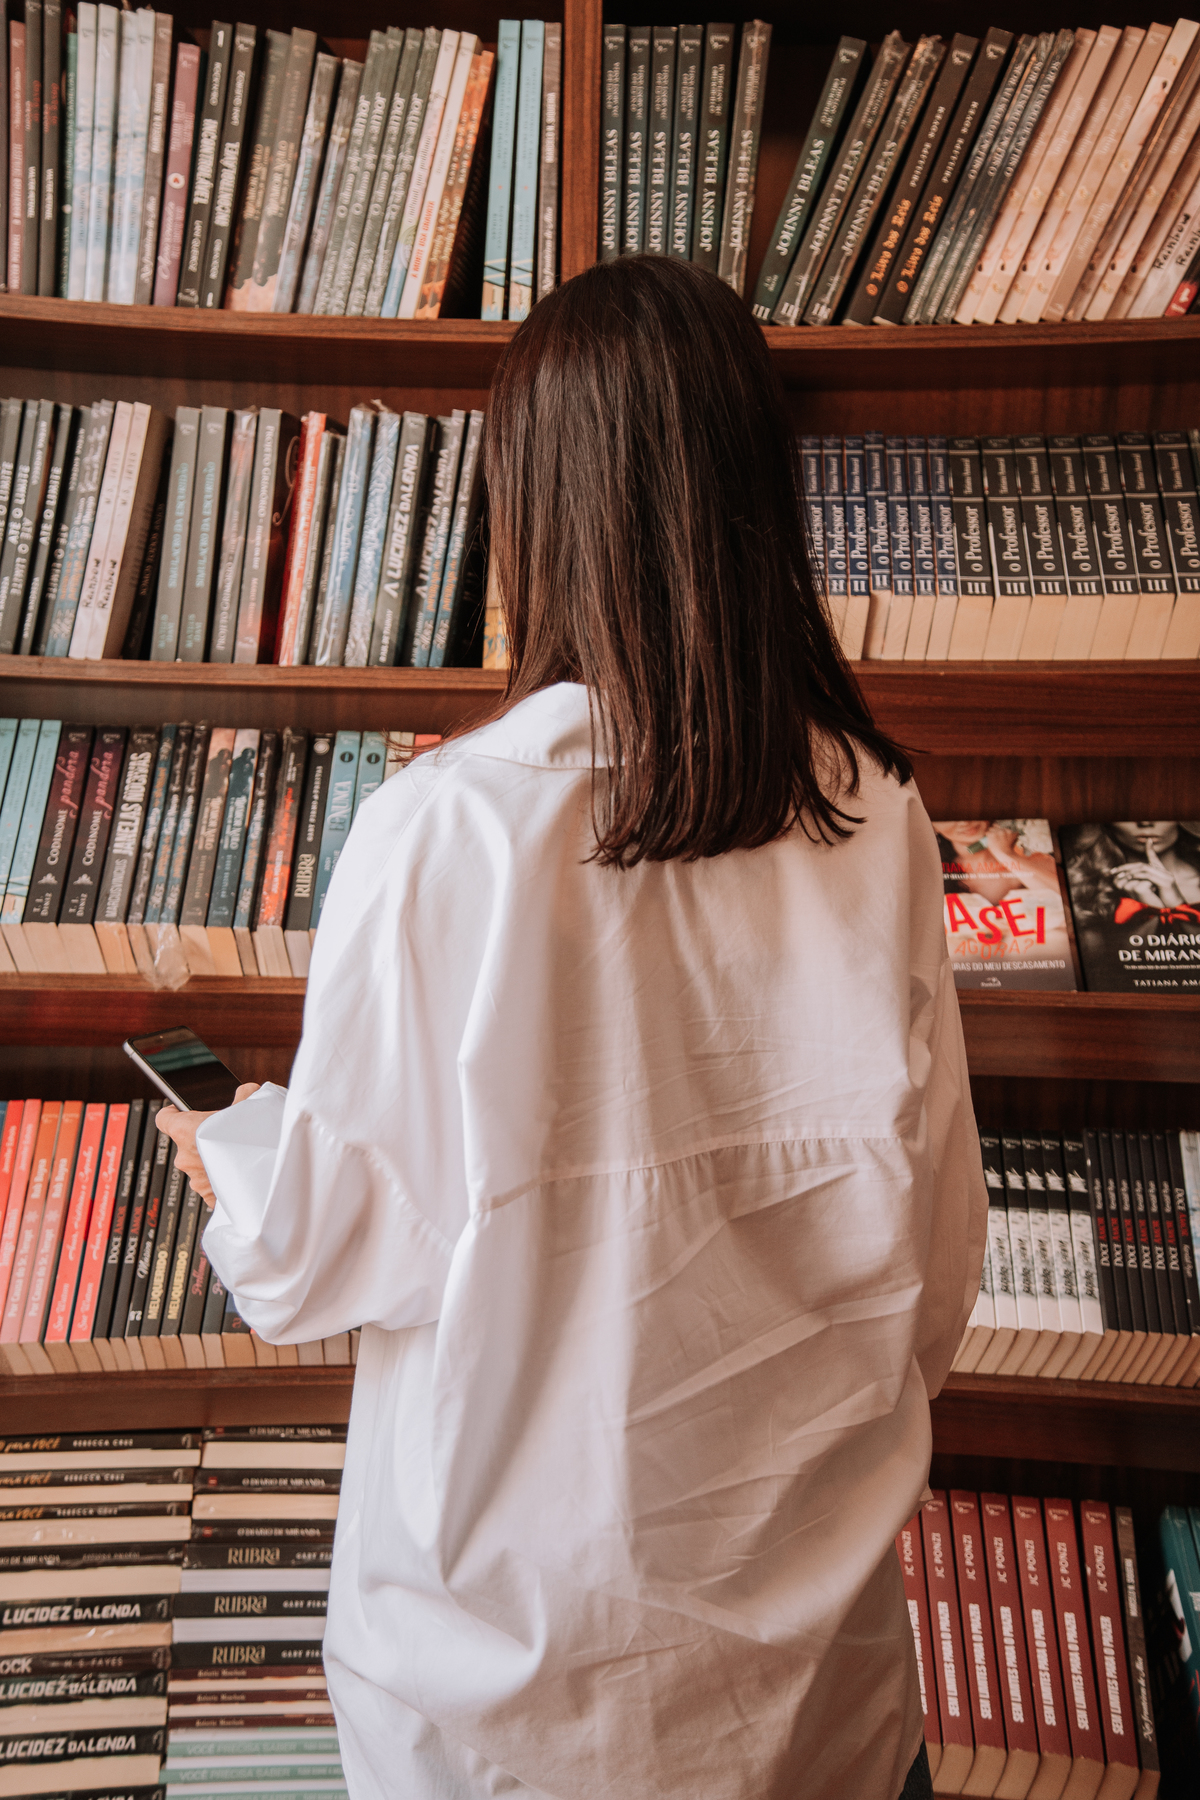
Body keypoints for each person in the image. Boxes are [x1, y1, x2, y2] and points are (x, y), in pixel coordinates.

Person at [159, 256, 986, 1800]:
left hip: (514, 1706)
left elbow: (318, 1258)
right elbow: (933, 1283)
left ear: (541, 503)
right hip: (815, 1685)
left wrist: (230, 1151)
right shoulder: (878, 817)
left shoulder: (446, 827)